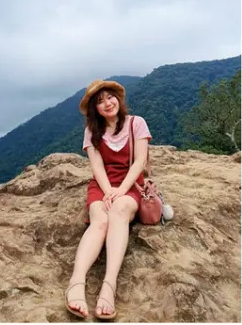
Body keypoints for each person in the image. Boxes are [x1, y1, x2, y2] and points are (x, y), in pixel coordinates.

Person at [64, 80, 151, 320]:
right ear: (95, 109)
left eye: (109, 97)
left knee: (119, 212)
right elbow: (97, 167)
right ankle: (76, 282)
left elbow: (140, 162)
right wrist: (108, 191)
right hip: (101, 186)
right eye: (100, 101)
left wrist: (120, 190)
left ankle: (108, 286)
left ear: (118, 99)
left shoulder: (137, 123)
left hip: (131, 185)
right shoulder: (92, 131)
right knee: (100, 220)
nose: (107, 103)